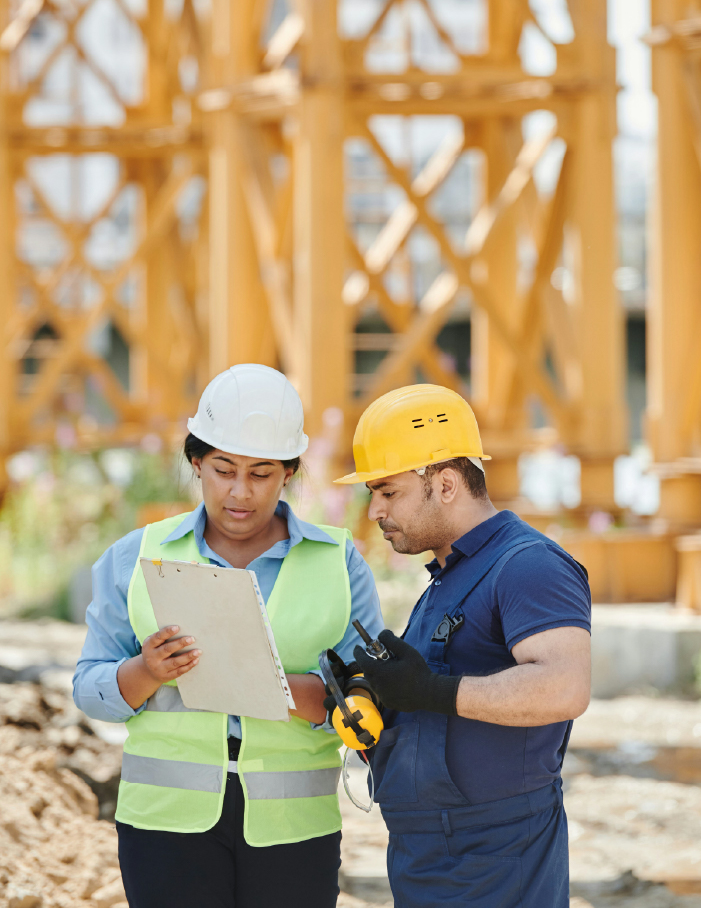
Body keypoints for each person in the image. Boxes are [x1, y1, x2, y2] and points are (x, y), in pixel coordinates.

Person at [73, 364, 383, 908]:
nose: (240, 492)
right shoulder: (135, 558)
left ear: (289, 471)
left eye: (261, 473)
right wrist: (145, 672)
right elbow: (88, 688)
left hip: (295, 827)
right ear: (196, 462)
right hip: (164, 827)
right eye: (223, 469)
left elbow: (372, 692)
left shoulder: (339, 563)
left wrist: (287, 689)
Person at [333, 383, 591, 908]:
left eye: (388, 492)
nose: (376, 512)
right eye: (372, 495)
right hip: (431, 855)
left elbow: (564, 687)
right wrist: (377, 704)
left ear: (445, 483)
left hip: (497, 856)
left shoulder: (527, 565)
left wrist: (430, 690)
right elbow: (438, 706)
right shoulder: (448, 577)